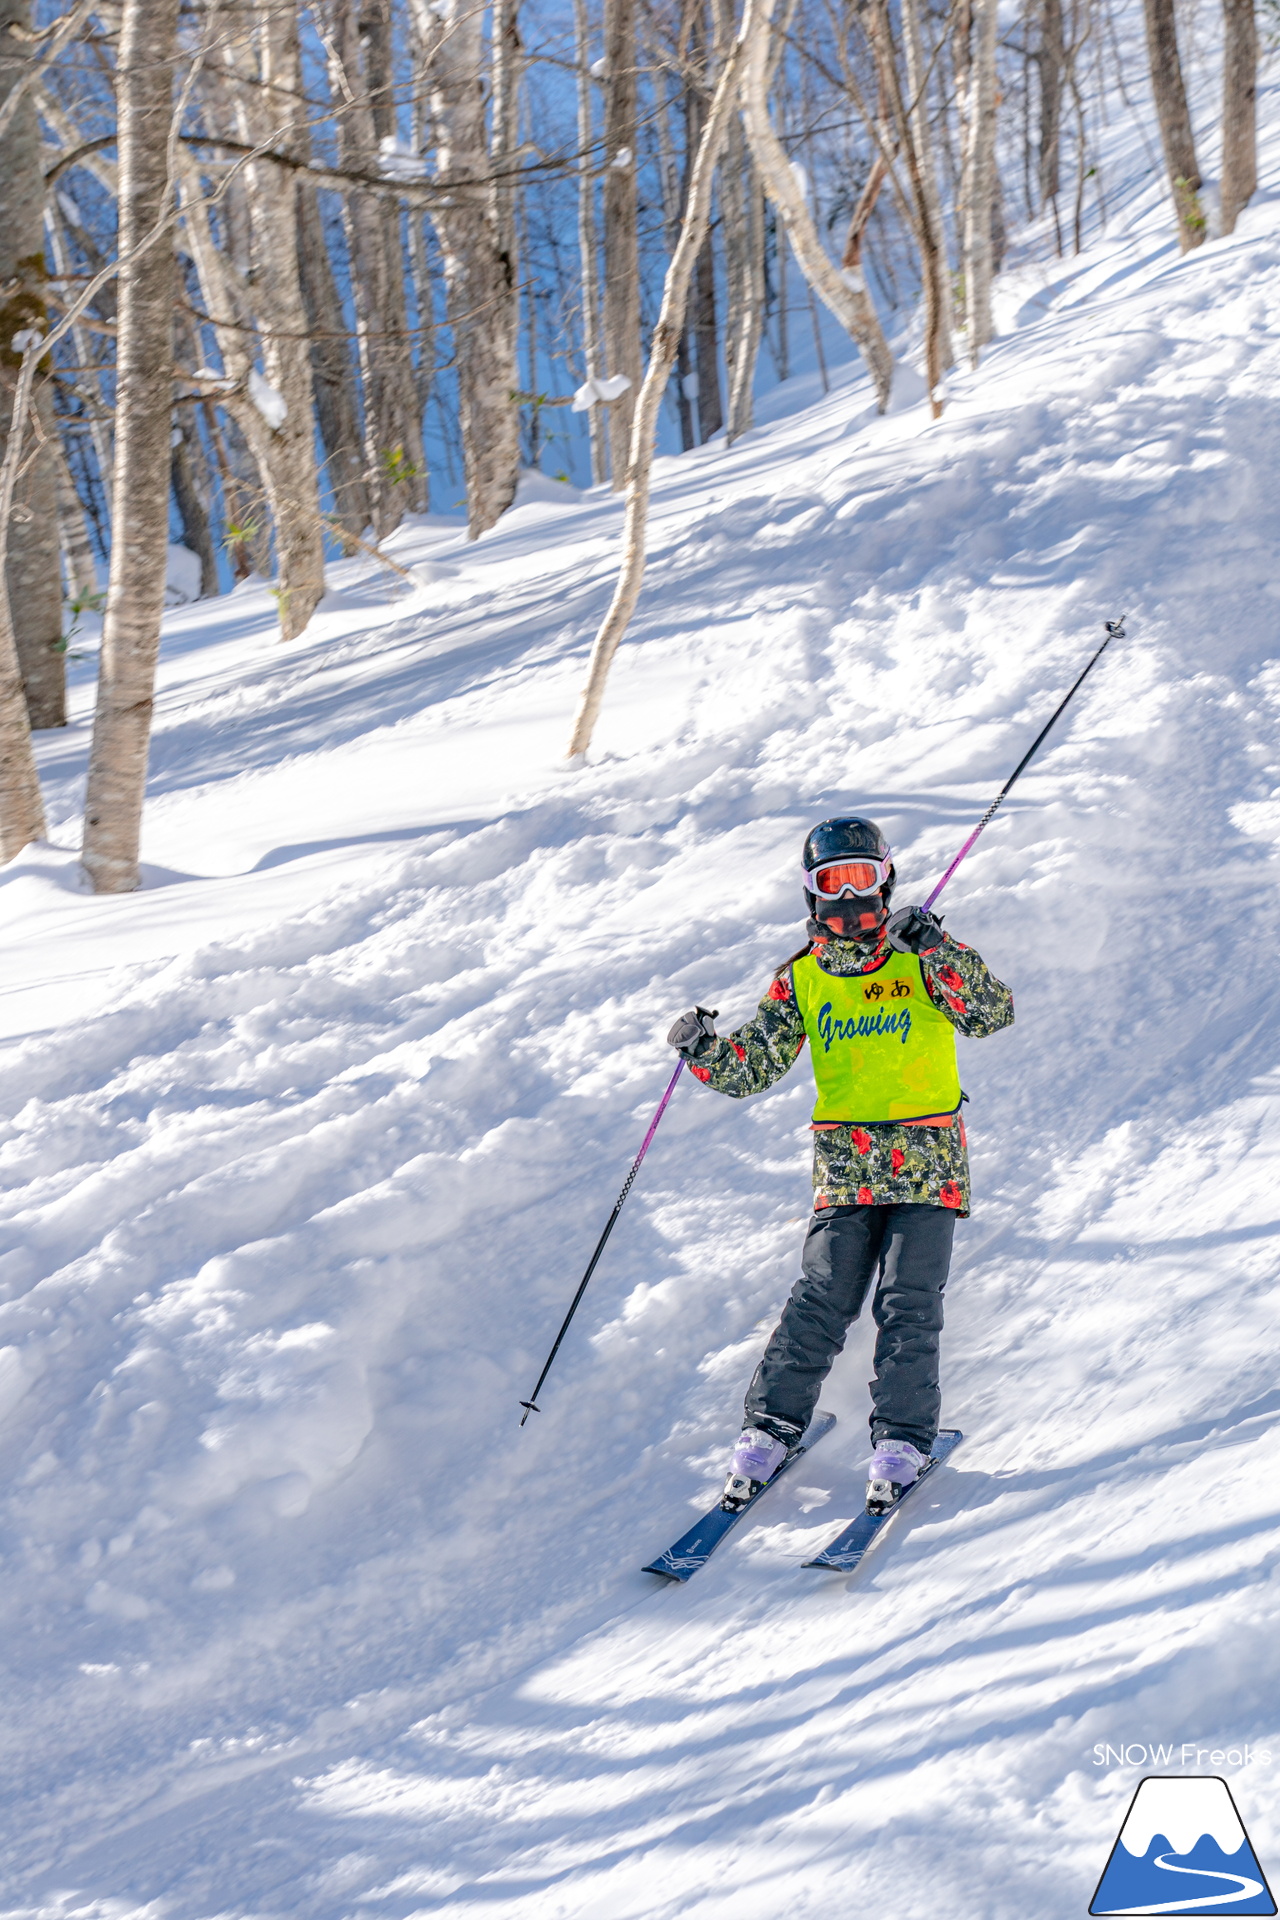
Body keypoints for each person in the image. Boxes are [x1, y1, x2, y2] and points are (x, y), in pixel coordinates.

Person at [666, 817, 1014, 1517]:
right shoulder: (801, 979)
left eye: (863, 877)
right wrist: (703, 1049)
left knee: (909, 1302)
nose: (851, 897)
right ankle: (769, 1428)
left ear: (887, 880)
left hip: (926, 1160)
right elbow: (752, 1065)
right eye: (834, 882)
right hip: (849, 1165)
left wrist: (941, 950)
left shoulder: (920, 957)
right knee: (821, 1298)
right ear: (812, 896)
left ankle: (902, 1441)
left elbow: (990, 1012)